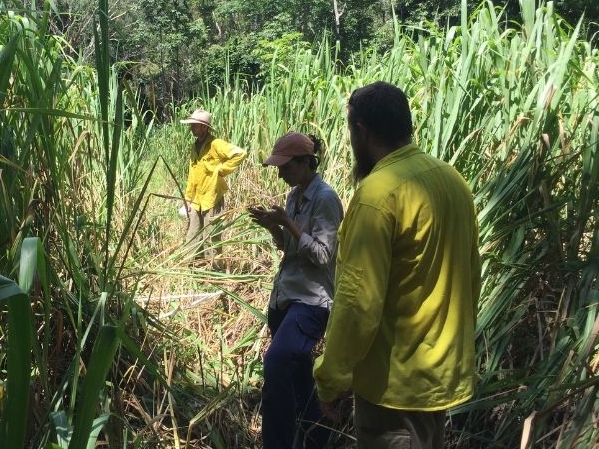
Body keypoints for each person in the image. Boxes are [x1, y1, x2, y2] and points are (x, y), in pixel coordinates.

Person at [313, 82, 481, 449]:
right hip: (439, 378)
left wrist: (332, 378)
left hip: (393, 388)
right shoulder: (453, 182)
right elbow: (471, 278)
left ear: (362, 132)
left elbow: (358, 302)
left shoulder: (377, 195)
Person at [248, 132, 343, 449]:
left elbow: (322, 255)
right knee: (299, 376)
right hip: (286, 297)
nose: (280, 173)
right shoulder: (294, 196)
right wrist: (274, 227)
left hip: (311, 301)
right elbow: (288, 249)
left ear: (305, 163)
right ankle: (316, 436)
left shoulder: (325, 199)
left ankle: (276, 443)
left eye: (285, 167)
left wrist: (288, 223)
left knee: (275, 363)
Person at [181, 108, 247, 263]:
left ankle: (215, 271)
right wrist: (188, 198)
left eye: (194, 125)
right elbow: (192, 174)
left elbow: (240, 153)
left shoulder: (216, 144)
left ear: (204, 127)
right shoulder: (194, 146)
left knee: (212, 235)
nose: (191, 128)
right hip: (197, 199)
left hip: (212, 196)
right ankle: (193, 267)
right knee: (193, 235)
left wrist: (220, 170)